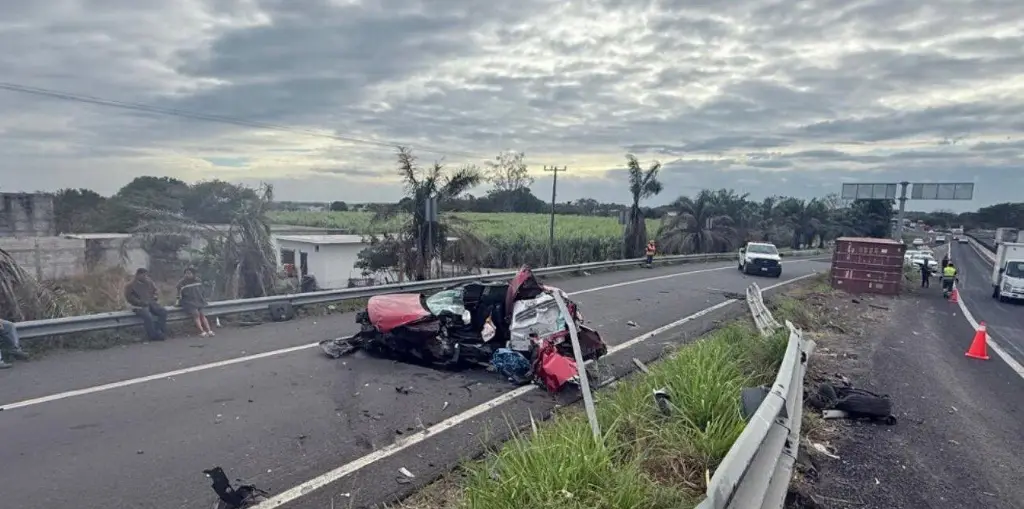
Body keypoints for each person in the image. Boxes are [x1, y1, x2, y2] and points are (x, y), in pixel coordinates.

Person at [124, 267, 168, 341]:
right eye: (143, 275)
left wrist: (155, 296)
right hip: (138, 306)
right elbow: (129, 298)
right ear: (138, 275)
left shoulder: (149, 282)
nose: (145, 277)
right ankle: (152, 335)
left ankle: (159, 331)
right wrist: (140, 302)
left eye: (146, 275)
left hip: (150, 302)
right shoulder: (130, 285)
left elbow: (155, 291)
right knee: (148, 316)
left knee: (163, 312)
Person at [177, 266, 214, 337]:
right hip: (188, 302)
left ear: (193, 274)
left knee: (202, 315)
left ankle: (209, 330)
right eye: (186, 273)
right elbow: (179, 294)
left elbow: (202, 291)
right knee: (196, 314)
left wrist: (203, 298)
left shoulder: (198, 281)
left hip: (198, 301)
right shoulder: (181, 283)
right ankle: (202, 331)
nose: (187, 275)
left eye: (189, 273)